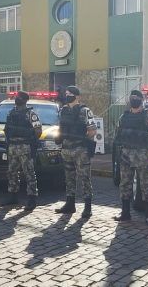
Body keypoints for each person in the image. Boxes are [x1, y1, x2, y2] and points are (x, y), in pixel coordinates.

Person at [113, 90, 148, 224]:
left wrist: (147, 143)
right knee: (125, 184)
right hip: (126, 156)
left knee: (146, 185)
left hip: (143, 155)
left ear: (141, 100)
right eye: (132, 97)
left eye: (136, 97)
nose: (133, 99)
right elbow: (118, 134)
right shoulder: (124, 117)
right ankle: (125, 213)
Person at [54, 86, 97, 218]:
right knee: (69, 178)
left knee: (85, 177)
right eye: (66, 94)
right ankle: (70, 204)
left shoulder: (85, 111)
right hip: (66, 148)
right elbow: (60, 127)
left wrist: (82, 139)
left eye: (70, 94)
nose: (68, 96)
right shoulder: (63, 110)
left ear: (77, 96)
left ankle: (87, 207)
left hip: (80, 149)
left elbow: (92, 131)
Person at [1, 91, 42, 211]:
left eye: (19, 97)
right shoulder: (11, 113)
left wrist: (31, 141)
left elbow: (38, 130)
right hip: (13, 146)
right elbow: (6, 129)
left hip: (25, 147)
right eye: (16, 97)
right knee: (11, 172)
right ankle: (12, 195)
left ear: (24, 100)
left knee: (29, 173)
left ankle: (32, 198)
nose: (16, 99)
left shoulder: (30, 113)